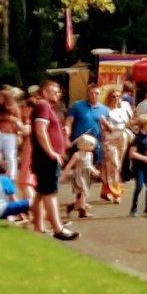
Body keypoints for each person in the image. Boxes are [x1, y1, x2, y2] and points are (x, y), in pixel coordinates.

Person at [29, 81, 77, 240]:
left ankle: (38, 226)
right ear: (44, 92)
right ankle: (58, 228)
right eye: (54, 91)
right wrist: (51, 152)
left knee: (40, 193)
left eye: (58, 92)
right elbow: (40, 130)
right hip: (46, 158)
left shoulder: (47, 107)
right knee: (50, 193)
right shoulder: (43, 105)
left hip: (45, 156)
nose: (58, 94)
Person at [98, 89, 128, 203]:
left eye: (118, 96)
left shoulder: (123, 110)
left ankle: (105, 190)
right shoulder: (105, 111)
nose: (116, 99)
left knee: (117, 165)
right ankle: (116, 193)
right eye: (113, 96)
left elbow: (127, 123)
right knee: (114, 164)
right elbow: (103, 126)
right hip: (110, 138)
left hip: (122, 137)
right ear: (109, 98)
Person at [127, 110, 147, 216]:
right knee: (139, 186)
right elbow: (132, 154)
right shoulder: (136, 138)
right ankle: (134, 208)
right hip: (139, 167)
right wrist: (145, 158)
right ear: (145, 125)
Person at [64, 134, 99, 220]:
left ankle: (72, 207)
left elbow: (90, 165)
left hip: (86, 175)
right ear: (85, 144)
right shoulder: (77, 155)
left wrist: (94, 171)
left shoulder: (90, 155)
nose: (93, 147)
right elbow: (69, 165)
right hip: (78, 175)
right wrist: (64, 174)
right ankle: (82, 211)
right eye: (91, 145)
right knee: (84, 192)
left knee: (82, 194)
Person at [67, 84, 107, 160]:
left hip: (95, 145)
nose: (94, 95)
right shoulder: (77, 105)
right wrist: (67, 138)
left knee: (94, 165)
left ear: (100, 94)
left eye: (97, 93)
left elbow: (106, 129)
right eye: (91, 93)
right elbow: (68, 123)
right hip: (78, 143)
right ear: (87, 93)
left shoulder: (105, 110)